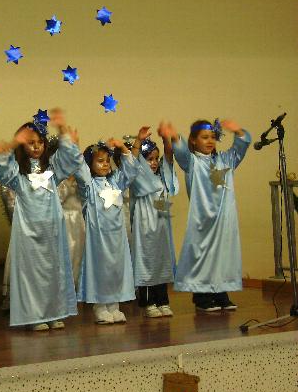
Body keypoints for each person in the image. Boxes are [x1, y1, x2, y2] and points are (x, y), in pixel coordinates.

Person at [0, 109, 82, 331]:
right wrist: (14, 142)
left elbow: (72, 159)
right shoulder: (18, 174)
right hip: (29, 232)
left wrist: (62, 128)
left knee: (53, 271)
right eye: (31, 143)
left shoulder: (52, 170)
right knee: (32, 274)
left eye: (40, 142)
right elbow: (1, 169)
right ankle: (34, 316)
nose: (36, 147)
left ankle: (54, 312)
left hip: (52, 230)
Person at [160, 119, 251, 311]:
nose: (210, 141)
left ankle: (221, 292)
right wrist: (174, 136)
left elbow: (241, 147)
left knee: (222, 256)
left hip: (223, 220)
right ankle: (201, 296)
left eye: (212, 137)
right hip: (202, 220)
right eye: (204, 137)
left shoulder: (225, 160)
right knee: (202, 257)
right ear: (193, 140)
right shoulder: (192, 162)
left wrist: (238, 131)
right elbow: (181, 152)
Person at [74, 138, 139, 325]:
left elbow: (131, 170)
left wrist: (122, 147)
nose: (105, 164)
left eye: (107, 161)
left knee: (116, 269)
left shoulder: (115, 182)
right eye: (99, 161)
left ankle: (114, 305)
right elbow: (81, 172)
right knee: (101, 269)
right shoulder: (89, 186)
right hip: (99, 239)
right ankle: (100, 306)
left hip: (117, 238)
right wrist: (76, 147)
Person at [129, 125, 178, 318]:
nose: (154, 162)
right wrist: (138, 141)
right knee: (147, 261)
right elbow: (131, 162)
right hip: (145, 227)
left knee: (162, 261)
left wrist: (166, 139)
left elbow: (169, 157)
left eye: (156, 159)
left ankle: (163, 300)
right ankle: (148, 301)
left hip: (162, 227)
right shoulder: (138, 177)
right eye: (149, 159)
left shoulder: (162, 177)